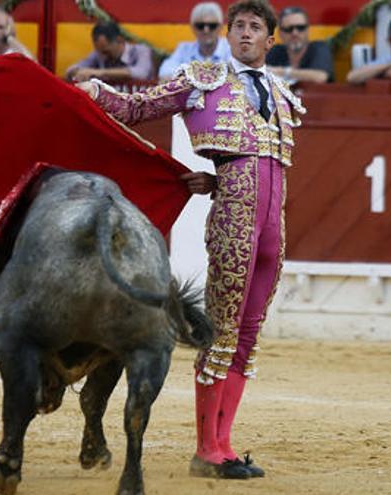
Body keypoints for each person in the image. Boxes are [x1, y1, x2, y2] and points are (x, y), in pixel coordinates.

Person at [78, 0, 304, 480]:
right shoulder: (204, 77)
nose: (244, 33)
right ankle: (207, 449)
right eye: (237, 26)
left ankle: (224, 443)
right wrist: (95, 92)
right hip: (234, 225)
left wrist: (217, 179)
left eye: (254, 27)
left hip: (272, 232)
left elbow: (260, 167)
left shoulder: (282, 94)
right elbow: (139, 108)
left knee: (248, 334)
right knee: (222, 331)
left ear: (271, 39)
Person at [158, 2, 231, 79]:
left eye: (212, 26)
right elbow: (164, 72)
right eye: (200, 26)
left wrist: (191, 76)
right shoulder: (184, 49)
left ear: (221, 27)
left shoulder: (231, 47)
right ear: (192, 27)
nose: (206, 30)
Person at [65, 21, 154, 82]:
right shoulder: (99, 53)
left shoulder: (141, 51)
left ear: (120, 40)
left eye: (106, 52)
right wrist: (78, 71)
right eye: (99, 51)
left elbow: (141, 73)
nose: (103, 56)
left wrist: (100, 72)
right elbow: (70, 70)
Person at [265, 6, 333, 83]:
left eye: (300, 28)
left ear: (308, 30)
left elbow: (321, 77)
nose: (295, 33)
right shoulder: (275, 51)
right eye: (288, 29)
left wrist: (283, 72)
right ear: (280, 33)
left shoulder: (319, 48)